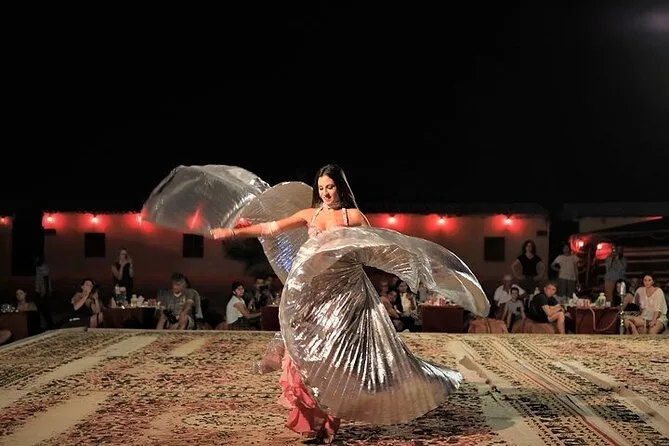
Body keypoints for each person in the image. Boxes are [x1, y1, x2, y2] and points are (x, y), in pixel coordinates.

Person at [144, 163, 489, 444]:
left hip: (347, 296)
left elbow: (374, 249)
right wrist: (233, 232)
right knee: (305, 353)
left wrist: (409, 262)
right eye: (321, 187)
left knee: (338, 358)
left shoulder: (354, 217)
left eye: (331, 187)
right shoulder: (310, 214)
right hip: (310, 294)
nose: (326, 192)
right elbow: (271, 228)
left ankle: (331, 423)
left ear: (341, 188)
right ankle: (316, 419)